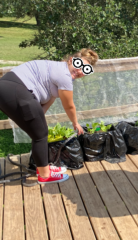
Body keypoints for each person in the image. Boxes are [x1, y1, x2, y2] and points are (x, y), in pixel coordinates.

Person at [0, 48, 98, 184]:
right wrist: (75, 123)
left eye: (86, 70)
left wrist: (38, 122)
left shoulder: (59, 70)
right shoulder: (64, 75)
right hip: (16, 89)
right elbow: (69, 106)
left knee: (39, 132)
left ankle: (44, 169)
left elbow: (48, 101)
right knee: (40, 135)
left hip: (10, 89)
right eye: (78, 65)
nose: (80, 71)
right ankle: (45, 176)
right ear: (71, 60)